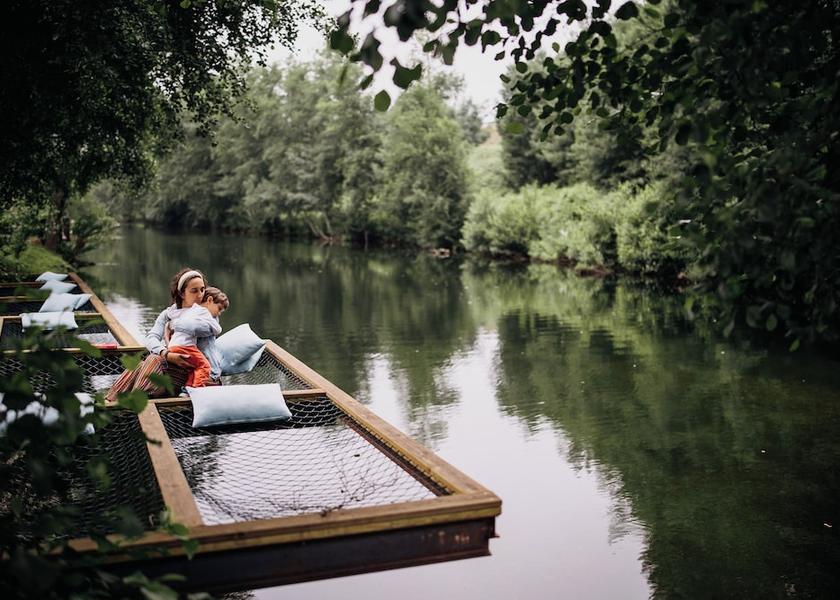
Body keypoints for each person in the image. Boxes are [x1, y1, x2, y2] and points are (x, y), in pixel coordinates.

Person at [106, 268, 221, 402]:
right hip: (178, 370)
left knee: (153, 360)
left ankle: (135, 402)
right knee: (141, 364)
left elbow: (195, 328)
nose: (200, 295)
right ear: (182, 293)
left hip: (201, 375)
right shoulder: (168, 314)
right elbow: (151, 338)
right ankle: (110, 401)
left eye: (202, 289)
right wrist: (166, 354)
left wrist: (173, 325)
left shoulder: (208, 314)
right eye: (194, 291)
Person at [166, 287, 229, 388]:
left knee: (194, 369)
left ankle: (187, 390)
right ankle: (196, 389)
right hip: (186, 347)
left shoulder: (187, 311)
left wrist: (171, 324)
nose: (219, 314)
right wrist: (173, 324)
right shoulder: (204, 313)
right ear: (209, 300)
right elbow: (216, 329)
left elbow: (171, 316)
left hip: (173, 346)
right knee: (204, 366)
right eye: (219, 309)